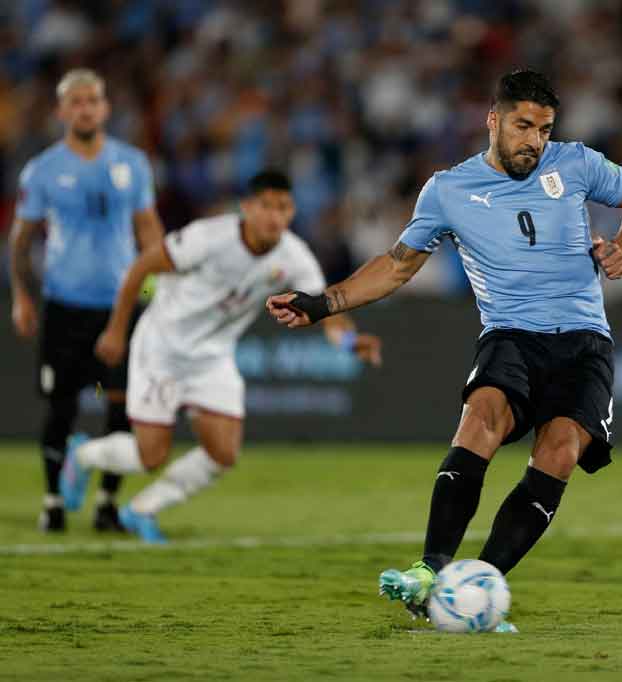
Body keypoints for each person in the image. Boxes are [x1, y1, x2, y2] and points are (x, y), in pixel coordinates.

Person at [267, 69, 622, 629]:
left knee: (561, 451)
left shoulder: (575, 163)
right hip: (510, 334)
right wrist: (323, 303)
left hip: (583, 340)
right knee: (482, 419)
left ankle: (479, 585)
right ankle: (429, 569)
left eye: (545, 129)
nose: (535, 141)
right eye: (524, 126)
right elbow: (397, 267)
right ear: (494, 120)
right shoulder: (449, 189)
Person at [59, 170, 383, 543]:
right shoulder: (208, 237)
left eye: (283, 207)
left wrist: (348, 342)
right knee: (150, 457)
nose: (274, 216)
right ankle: (83, 455)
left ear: (292, 211)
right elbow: (141, 268)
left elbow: (324, 309)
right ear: (247, 207)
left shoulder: (294, 255)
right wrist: (116, 330)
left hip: (212, 357)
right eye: (266, 206)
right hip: (161, 348)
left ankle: (141, 510)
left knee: (224, 453)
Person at [8, 68, 165, 533]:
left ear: (105, 108)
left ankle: (106, 503)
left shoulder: (132, 164)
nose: (85, 108)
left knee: (122, 405)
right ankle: (54, 501)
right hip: (64, 306)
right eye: (75, 102)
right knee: (62, 406)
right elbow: (20, 241)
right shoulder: (42, 170)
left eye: (92, 100)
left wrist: (163, 283)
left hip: (119, 305)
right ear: (61, 111)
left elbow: (148, 229)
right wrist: (21, 296)